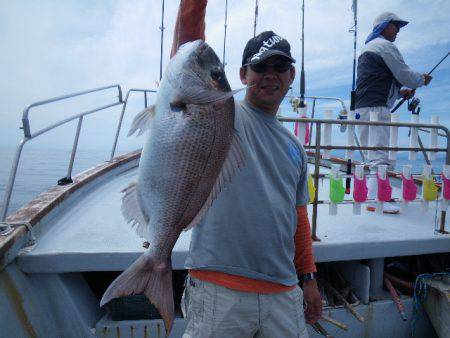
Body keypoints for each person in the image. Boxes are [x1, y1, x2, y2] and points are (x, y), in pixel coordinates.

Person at [170, 2, 322, 338]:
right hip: (217, 288)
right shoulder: (222, 114)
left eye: (280, 65)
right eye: (260, 66)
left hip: (283, 292)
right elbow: (189, 57)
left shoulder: (295, 146)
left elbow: (298, 217)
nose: (271, 74)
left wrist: (308, 276)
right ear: (243, 75)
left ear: (291, 75)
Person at [355, 12, 432, 214]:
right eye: (395, 25)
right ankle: (377, 200)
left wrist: (399, 93)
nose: (398, 30)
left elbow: (378, 80)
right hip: (376, 108)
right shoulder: (385, 46)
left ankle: (374, 195)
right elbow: (404, 74)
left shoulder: (367, 49)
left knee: (372, 154)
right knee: (380, 154)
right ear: (384, 26)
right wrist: (421, 80)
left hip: (363, 107)